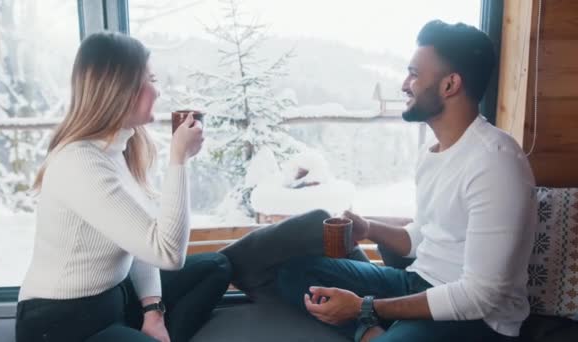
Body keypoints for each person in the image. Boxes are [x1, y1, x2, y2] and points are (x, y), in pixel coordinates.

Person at [222, 20, 536, 342]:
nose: (404, 84)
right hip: (418, 281)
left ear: (450, 84)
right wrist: (369, 228)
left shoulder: (495, 163)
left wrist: (366, 307)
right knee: (295, 274)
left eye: (414, 74)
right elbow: (420, 238)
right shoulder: (434, 154)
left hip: (477, 320)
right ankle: (369, 333)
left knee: (347, 302)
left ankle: (370, 328)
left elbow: (479, 296)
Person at [16, 32, 231, 342]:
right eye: (151, 79)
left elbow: (140, 242)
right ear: (121, 89)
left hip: (115, 298)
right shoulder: (80, 163)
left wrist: (153, 311)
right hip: (63, 324)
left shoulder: (120, 149)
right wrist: (179, 159)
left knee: (216, 266)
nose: (158, 90)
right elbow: (168, 253)